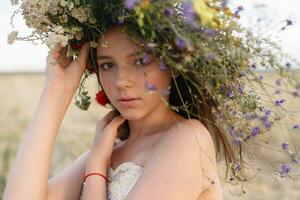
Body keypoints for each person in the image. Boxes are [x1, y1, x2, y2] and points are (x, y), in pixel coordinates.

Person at [4, 23, 223, 200]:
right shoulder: (108, 148)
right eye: (108, 65)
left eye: (139, 61)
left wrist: (97, 171)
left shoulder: (188, 139)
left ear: (174, 65)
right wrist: (55, 91)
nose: (121, 82)